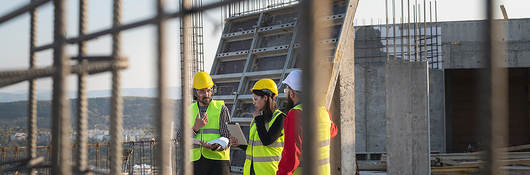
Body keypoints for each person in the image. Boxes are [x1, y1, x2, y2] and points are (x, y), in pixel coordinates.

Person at [276, 70, 338, 175]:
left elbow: (291, 157)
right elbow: (333, 131)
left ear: (292, 93)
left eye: (286, 90)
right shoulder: (323, 111)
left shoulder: (296, 114)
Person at [178, 72, 232, 175]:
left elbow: (227, 136)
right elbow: (180, 137)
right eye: (202, 91)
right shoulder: (189, 111)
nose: (206, 94)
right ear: (195, 92)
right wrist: (195, 129)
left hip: (218, 162)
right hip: (195, 162)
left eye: (209, 90)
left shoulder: (221, 109)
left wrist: (217, 146)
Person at [232, 79, 286, 175]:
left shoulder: (280, 118)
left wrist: (258, 120)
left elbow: (267, 141)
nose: (253, 102)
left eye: (255, 99)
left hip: (268, 171)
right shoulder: (258, 119)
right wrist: (240, 144)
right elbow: (255, 146)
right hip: (251, 170)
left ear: (265, 98)